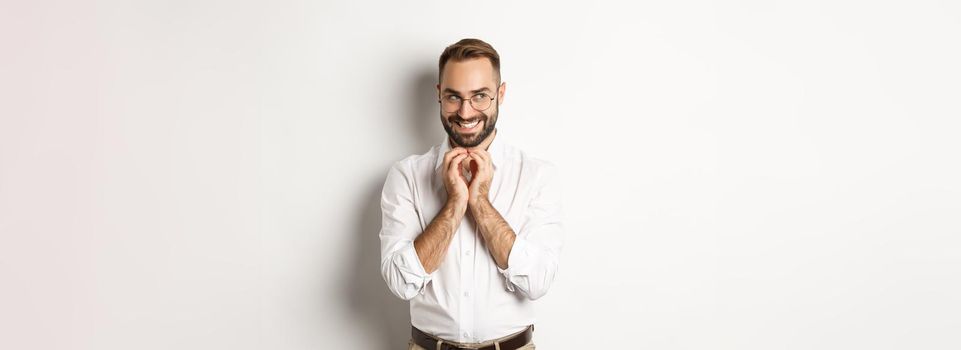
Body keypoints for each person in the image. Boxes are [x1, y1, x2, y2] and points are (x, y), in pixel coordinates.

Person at [379, 38, 563, 350]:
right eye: (454, 97)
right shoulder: (406, 176)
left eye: (480, 97)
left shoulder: (536, 176)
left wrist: (479, 201)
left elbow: (538, 280)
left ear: (500, 94)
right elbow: (400, 282)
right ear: (439, 94)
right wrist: (454, 205)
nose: (466, 112)